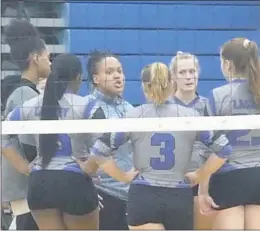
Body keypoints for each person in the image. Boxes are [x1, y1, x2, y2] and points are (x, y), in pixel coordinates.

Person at [78, 62, 232, 230]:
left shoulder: (134, 116)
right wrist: (199, 175)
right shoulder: (190, 116)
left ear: (144, 87)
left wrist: (122, 177)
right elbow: (223, 149)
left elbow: (99, 151)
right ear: (172, 83)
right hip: (178, 195)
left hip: (144, 194)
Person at [1, 54, 102, 230]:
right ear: (78, 77)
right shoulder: (87, 105)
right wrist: (90, 167)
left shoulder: (30, 105)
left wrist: (24, 167)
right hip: (73, 180)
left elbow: (3, 135)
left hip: (40, 182)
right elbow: (107, 140)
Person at [202, 38, 260, 230]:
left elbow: (208, 147)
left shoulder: (217, 96)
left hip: (229, 177)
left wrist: (203, 189)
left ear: (227, 65)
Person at [1, 18, 50, 230]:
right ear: (35, 57)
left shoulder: (26, 91)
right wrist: (31, 170)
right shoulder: (24, 94)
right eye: (48, 57)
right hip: (24, 188)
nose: (50, 63)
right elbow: (29, 146)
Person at [84, 51, 134, 230]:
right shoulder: (87, 108)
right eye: (110, 72)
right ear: (96, 78)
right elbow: (81, 154)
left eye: (119, 71)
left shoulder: (129, 108)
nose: (117, 76)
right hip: (104, 195)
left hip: (131, 195)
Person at [169, 51, 217, 230]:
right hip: (171, 182)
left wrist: (203, 185)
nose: (188, 77)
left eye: (192, 71)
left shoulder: (208, 105)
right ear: (173, 76)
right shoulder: (165, 106)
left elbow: (215, 149)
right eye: (182, 72)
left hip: (204, 180)